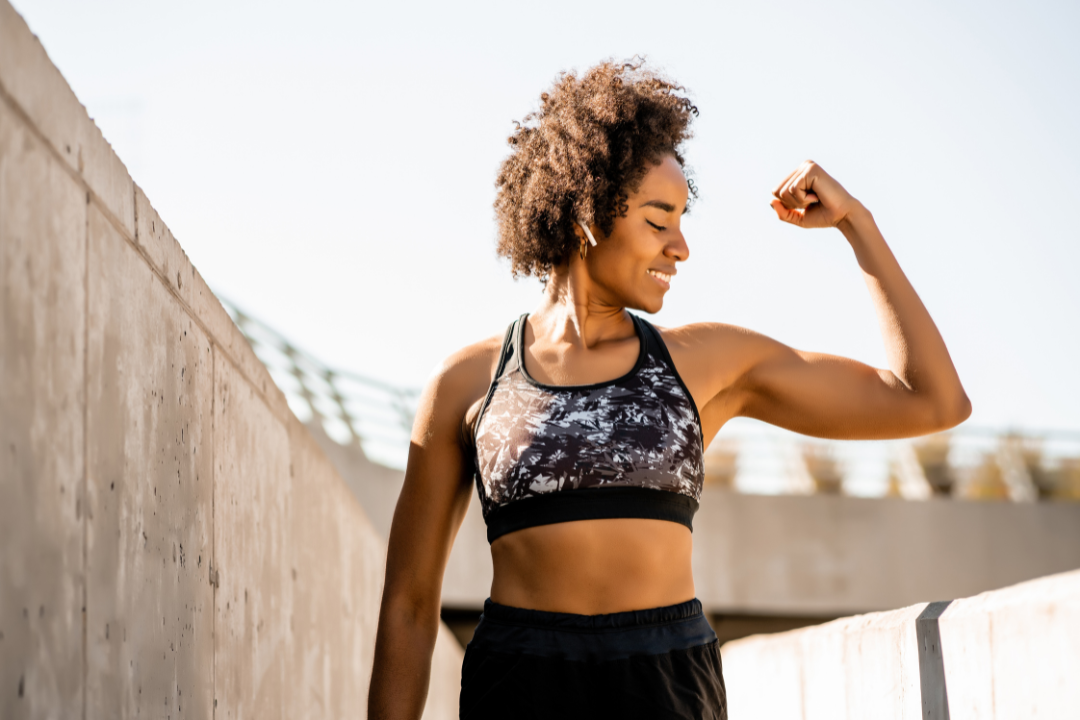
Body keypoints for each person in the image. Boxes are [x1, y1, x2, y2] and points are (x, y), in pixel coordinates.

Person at [367, 60, 971, 720]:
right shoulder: (466, 383)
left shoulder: (705, 361)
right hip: (519, 685)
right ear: (586, 215)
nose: (680, 248)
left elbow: (930, 399)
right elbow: (408, 604)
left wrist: (858, 223)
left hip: (666, 686)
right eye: (659, 221)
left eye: (683, 220)